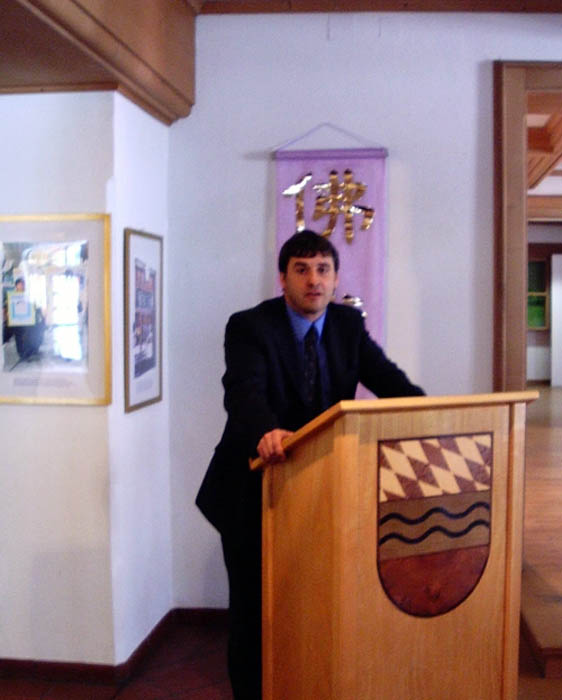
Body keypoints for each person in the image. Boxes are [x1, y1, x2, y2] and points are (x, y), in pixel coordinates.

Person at [196, 230, 424, 699]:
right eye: (301, 270)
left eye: (323, 269)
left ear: (336, 278)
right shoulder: (249, 326)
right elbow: (243, 391)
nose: (313, 280)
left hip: (320, 490)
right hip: (252, 491)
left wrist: (431, 415)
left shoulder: (347, 325)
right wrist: (266, 430)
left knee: (311, 605)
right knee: (253, 611)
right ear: (283, 278)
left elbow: (388, 380)